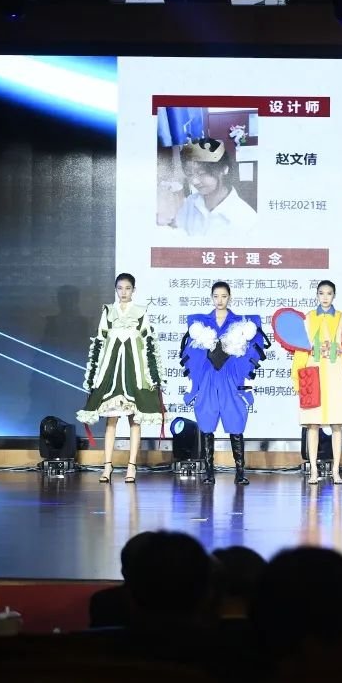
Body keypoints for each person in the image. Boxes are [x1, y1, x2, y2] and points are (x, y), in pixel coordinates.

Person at [77, 273, 164, 484]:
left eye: (127, 288)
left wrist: (153, 376)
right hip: (112, 371)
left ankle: (131, 466)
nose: (123, 292)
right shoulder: (108, 311)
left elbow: (149, 344)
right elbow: (99, 342)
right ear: (115, 290)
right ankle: (107, 465)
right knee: (111, 420)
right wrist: (94, 375)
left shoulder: (141, 312)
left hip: (134, 372)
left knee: (135, 419)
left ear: (133, 290)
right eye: (120, 288)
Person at [180, 281, 269, 486]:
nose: (220, 300)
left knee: (235, 419)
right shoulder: (202, 322)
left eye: (223, 296)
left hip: (230, 376)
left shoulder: (239, 322)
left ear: (230, 297)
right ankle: (209, 472)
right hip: (209, 376)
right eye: (216, 296)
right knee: (206, 420)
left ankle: (240, 472)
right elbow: (193, 352)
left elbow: (252, 348)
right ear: (211, 297)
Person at [290, 281, 342, 485]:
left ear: (334, 295)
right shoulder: (308, 318)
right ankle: (313, 470)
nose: (325, 297)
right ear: (317, 295)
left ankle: (336, 470)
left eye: (329, 293)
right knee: (313, 424)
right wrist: (298, 380)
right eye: (321, 293)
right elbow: (301, 349)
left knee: (337, 424)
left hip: (336, 374)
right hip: (313, 374)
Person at [173, 137, 257, 237]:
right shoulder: (189, 203)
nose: (194, 181)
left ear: (224, 169)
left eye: (202, 173)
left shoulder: (247, 219)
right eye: (190, 174)